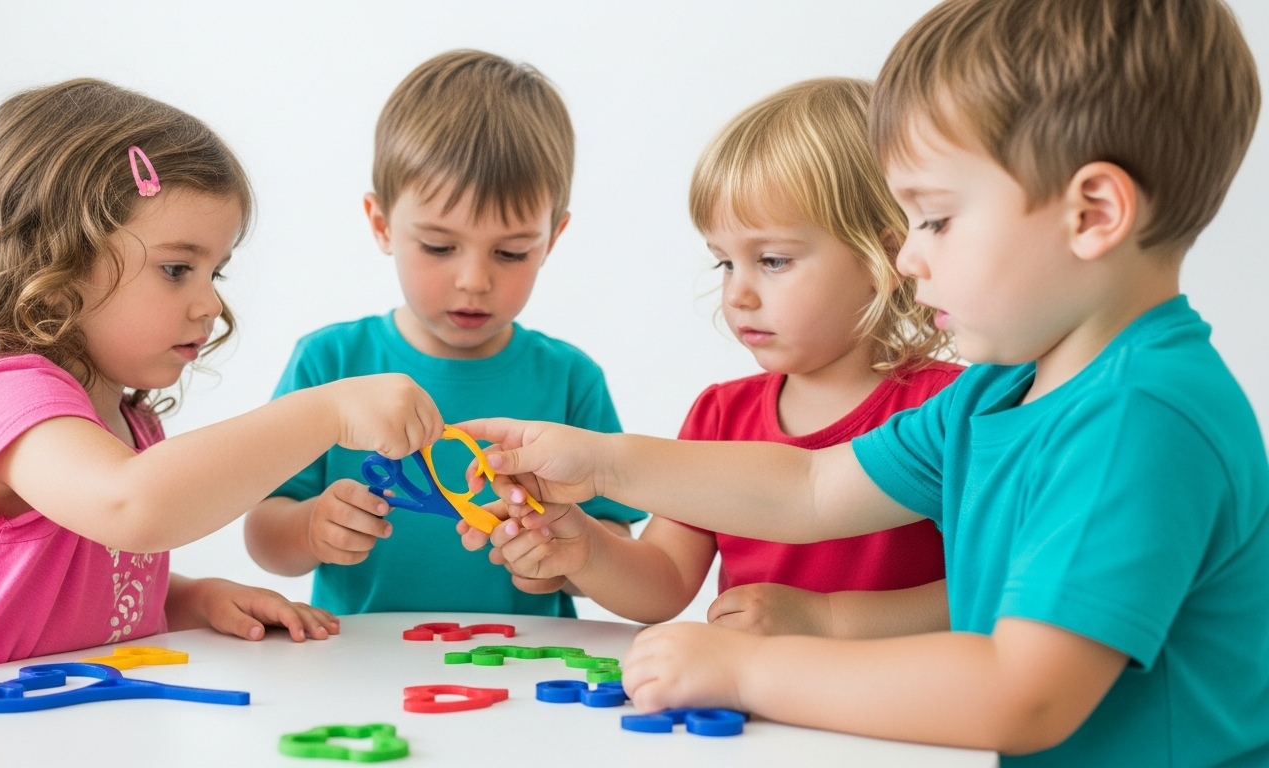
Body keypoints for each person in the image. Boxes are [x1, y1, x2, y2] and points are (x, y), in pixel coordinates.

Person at [462, 0, 1267, 763]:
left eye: (936, 218)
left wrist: (750, 671)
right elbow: (810, 486)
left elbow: (1024, 694)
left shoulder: (1138, 417)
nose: (908, 257)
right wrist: (599, 463)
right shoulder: (997, 392)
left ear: (1092, 213)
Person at [0, 79, 442, 692]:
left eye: (214, 273)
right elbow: (132, 506)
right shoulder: (3, 400)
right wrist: (327, 411)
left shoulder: (131, 423)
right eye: (177, 269)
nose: (210, 304)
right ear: (55, 264)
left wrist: (192, 599)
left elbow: (84, 587)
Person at [468, 78, 960, 638]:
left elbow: (991, 588)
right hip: (748, 695)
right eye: (725, 263)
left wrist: (828, 621)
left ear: (885, 256)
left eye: (772, 260)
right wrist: (584, 551)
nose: (738, 294)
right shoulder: (721, 415)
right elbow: (666, 579)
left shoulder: (948, 409)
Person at [242, 51, 644, 618]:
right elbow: (262, 530)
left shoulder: (570, 379)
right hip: (358, 662)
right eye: (438, 246)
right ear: (382, 224)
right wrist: (310, 529)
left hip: (527, 663)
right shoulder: (328, 363)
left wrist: (570, 557)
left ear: (552, 239)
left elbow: (618, 544)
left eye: (511, 252)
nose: (474, 280)